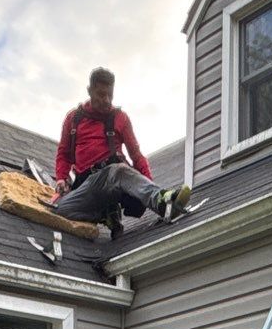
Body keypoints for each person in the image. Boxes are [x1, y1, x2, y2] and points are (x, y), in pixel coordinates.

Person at [49, 67, 190, 230]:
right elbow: (64, 154)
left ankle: (163, 201)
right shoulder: (73, 119)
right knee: (60, 210)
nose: (107, 100)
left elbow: (136, 156)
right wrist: (61, 178)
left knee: (118, 170)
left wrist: (147, 184)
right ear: (89, 91)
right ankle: (105, 212)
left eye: (110, 95)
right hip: (87, 185)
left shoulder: (120, 118)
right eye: (101, 95)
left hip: (113, 177)